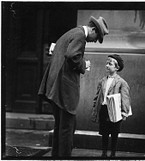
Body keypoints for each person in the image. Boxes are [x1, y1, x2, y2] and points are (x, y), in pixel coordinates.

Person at [38, 16, 109, 157]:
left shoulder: (71, 32)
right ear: (93, 29)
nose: (95, 40)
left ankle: (56, 156)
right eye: (97, 37)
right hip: (64, 90)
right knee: (67, 129)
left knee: (60, 126)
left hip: (55, 87)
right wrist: (84, 65)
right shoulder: (80, 36)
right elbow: (72, 55)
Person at [91, 54, 132, 157]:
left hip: (115, 110)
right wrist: (95, 108)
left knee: (114, 133)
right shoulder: (102, 81)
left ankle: (113, 153)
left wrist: (124, 111)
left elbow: (125, 98)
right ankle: (104, 153)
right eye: (106, 63)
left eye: (110, 64)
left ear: (117, 67)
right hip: (104, 110)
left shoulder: (121, 82)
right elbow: (97, 96)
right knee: (104, 133)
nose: (107, 65)